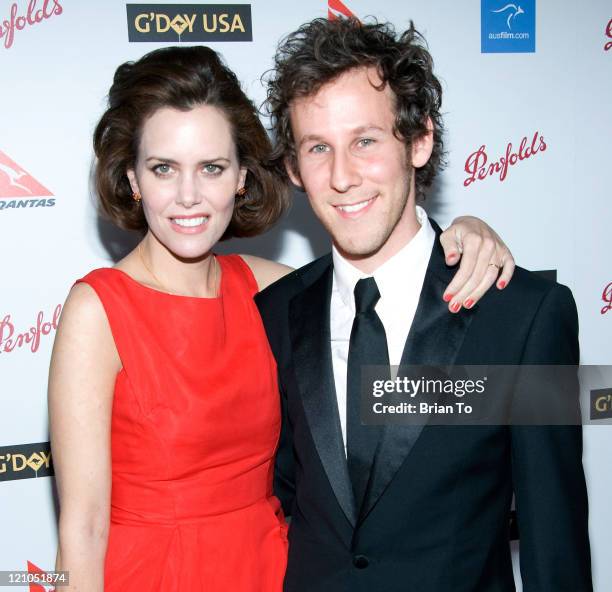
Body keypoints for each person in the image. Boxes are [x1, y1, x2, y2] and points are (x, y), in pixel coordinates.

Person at [49, 45, 514, 591]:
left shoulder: (274, 293)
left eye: (212, 168)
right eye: (163, 168)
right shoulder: (97, 310)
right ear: (132, 179)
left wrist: (467, 232)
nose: (188, 196)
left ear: (243, 177)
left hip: (271, 572)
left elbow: (391, 399)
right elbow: (82, 528)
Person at [256, 18, 592, 592]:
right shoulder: (275, 314)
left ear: (419, 141)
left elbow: (554, 544)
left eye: (365, 141)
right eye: (318, 148)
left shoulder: (523, 317)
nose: (342, 177)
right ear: (293, 169)